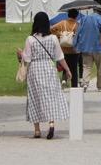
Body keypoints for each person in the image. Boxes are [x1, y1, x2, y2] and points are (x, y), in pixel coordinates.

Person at [19, 11, 70, 140]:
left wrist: (21, 54)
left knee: (35, 97)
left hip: (35, 69)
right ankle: (51, 123)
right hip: (48, 67)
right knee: (50, 96)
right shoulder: (53, 38)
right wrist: (67, 70)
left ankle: (37, 130)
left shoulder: (30, 39)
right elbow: (59, 56)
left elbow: (27, 59)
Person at [73, 6, 101, 91]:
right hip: (98, 47)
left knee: (86, 67)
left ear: (94, 10)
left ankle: (84, 84)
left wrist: (75, 44)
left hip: (85, 47)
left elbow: (78, 31)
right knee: (100, 67)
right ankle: (100, 86)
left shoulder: (84, 19)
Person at [51, 8, 82, 88]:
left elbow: (51, 29)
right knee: (74, 69)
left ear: (68, 15)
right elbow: (81, 37)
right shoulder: (78, 25)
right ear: (76, 16)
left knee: (65, 66)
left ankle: (64, 81)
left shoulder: (62, 23)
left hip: (63, 50)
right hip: (75, 51)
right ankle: (74, 86)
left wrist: (59, 35)